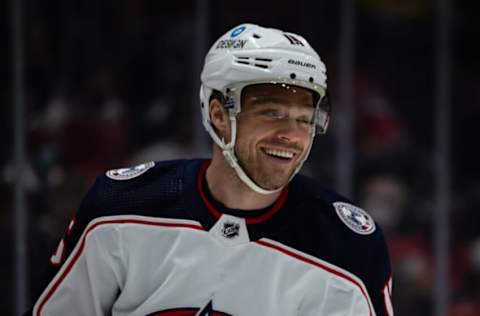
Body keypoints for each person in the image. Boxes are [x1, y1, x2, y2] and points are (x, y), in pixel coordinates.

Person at [29, 23, 393, 315]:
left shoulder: (347, 248)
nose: (292, 136)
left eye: (304, 119)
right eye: (272, 113)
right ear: (219, 115)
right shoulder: (119, 208)